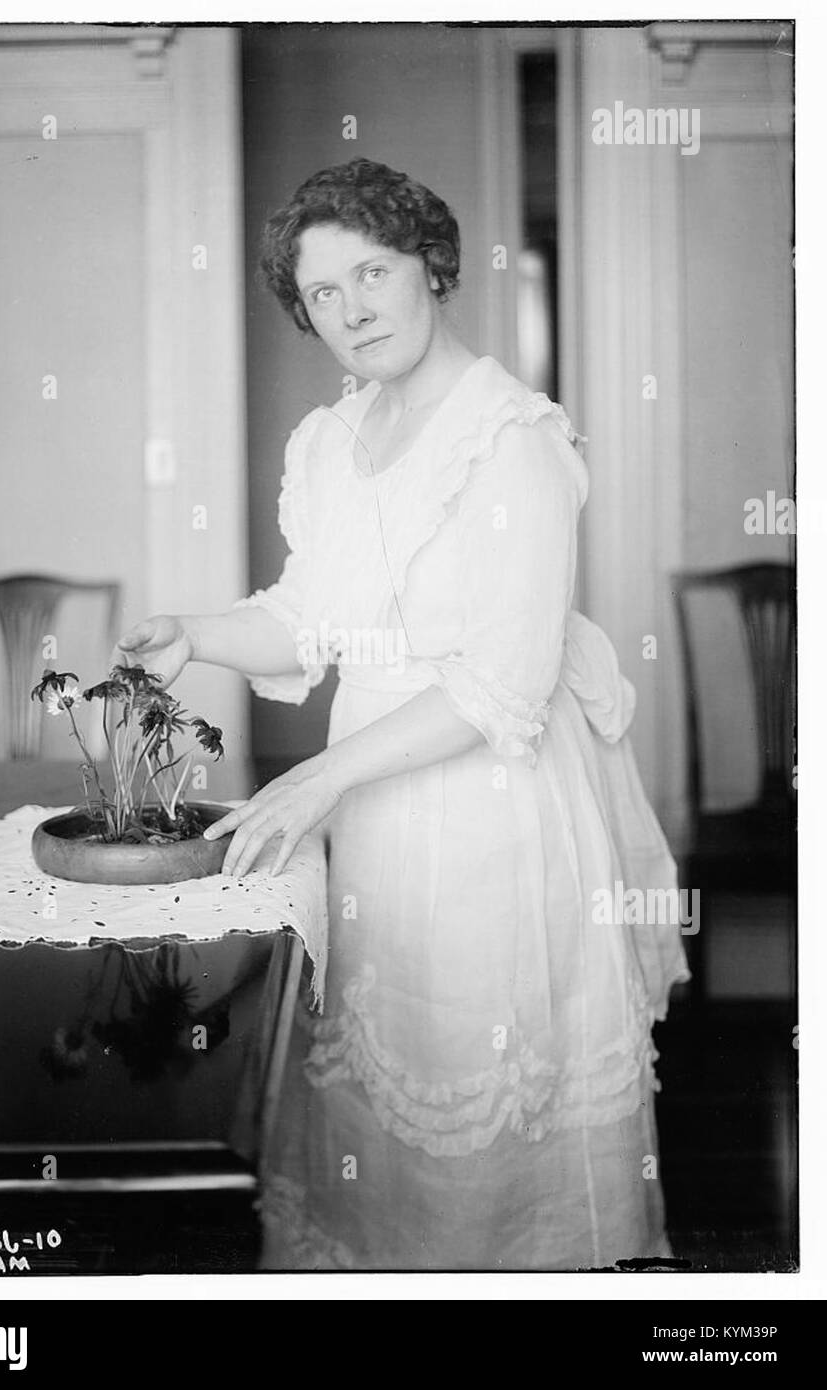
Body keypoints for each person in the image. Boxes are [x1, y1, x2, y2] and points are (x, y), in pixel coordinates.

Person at [116, 157, 690, 1271]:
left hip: (492, 807)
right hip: (373, 809)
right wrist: (197, 632)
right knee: (373, 1099)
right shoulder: (335, 440)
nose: (350, 310)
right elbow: (307, 619)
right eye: (321, 293)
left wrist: (324, 779)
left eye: (370, 272)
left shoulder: (513, 438)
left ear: (433, 265)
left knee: (477, 1091)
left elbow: (504, 683)